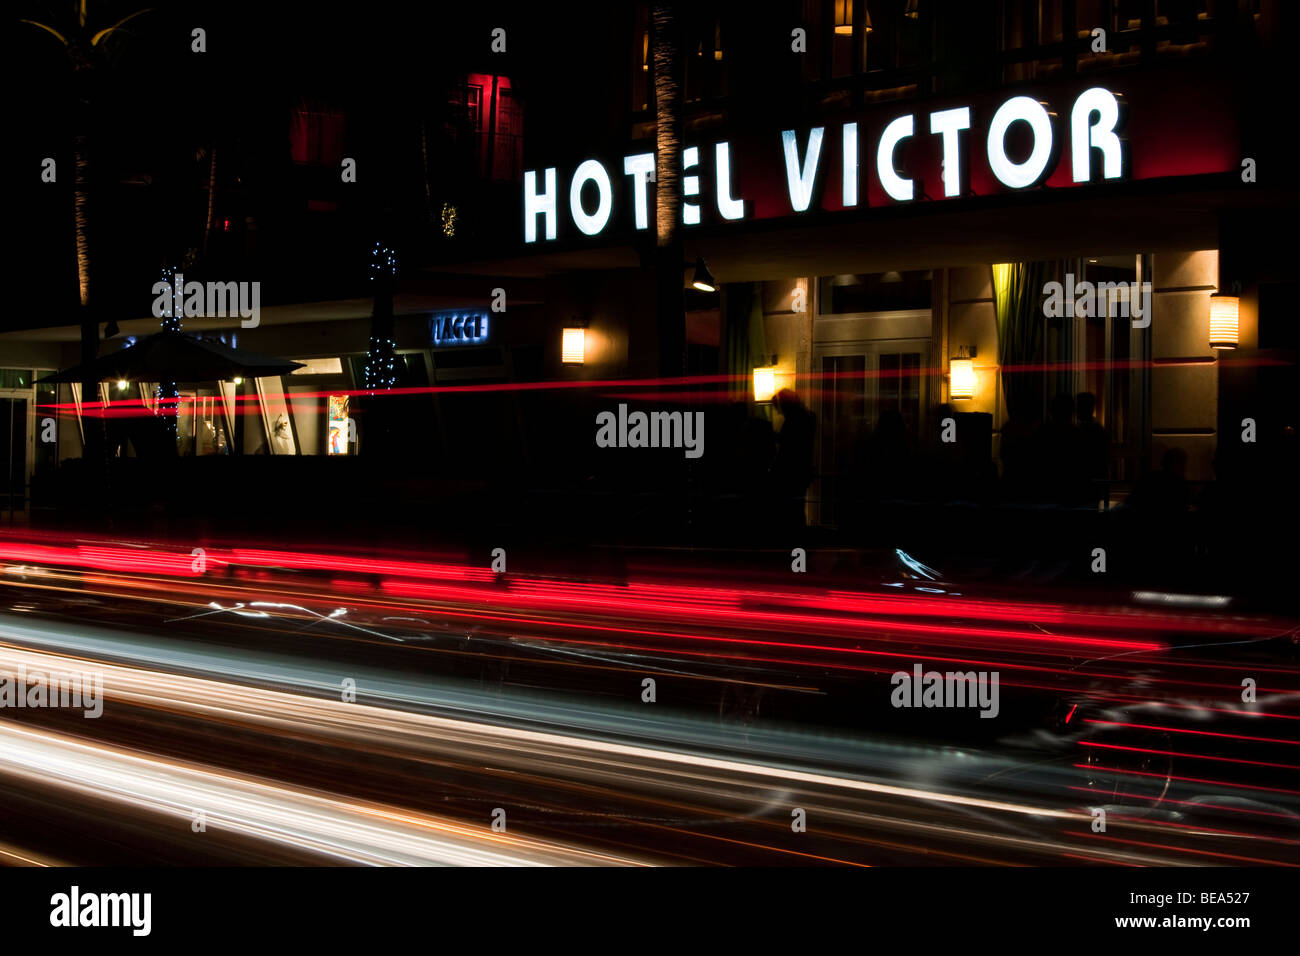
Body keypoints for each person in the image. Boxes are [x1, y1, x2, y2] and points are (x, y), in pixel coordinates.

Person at [771, 389, 816, 531]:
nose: (779, 412)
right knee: (797, 507)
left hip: (790, 472)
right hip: (801, 471)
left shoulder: (794, 419)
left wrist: (772, 435)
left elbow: (788, 442)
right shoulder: (805, 417)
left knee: (790, 509)